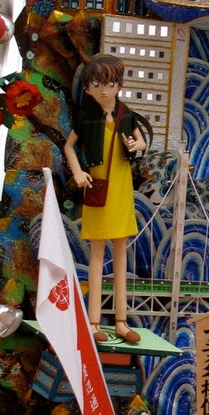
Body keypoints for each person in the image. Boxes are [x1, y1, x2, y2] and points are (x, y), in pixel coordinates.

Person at [64, 54, 153, 343]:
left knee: (121, 253)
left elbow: (142, 141)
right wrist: (78, 171)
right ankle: (93, 321)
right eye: (97, 84)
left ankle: (121, 321)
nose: (104, 90)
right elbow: (69, 147)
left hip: (121, 188)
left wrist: (134, 145)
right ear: (87, 88)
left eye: (110, 84)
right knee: (97, 255)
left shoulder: (125, 114)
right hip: (97, 188)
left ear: (119, 85)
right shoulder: (85, 117)